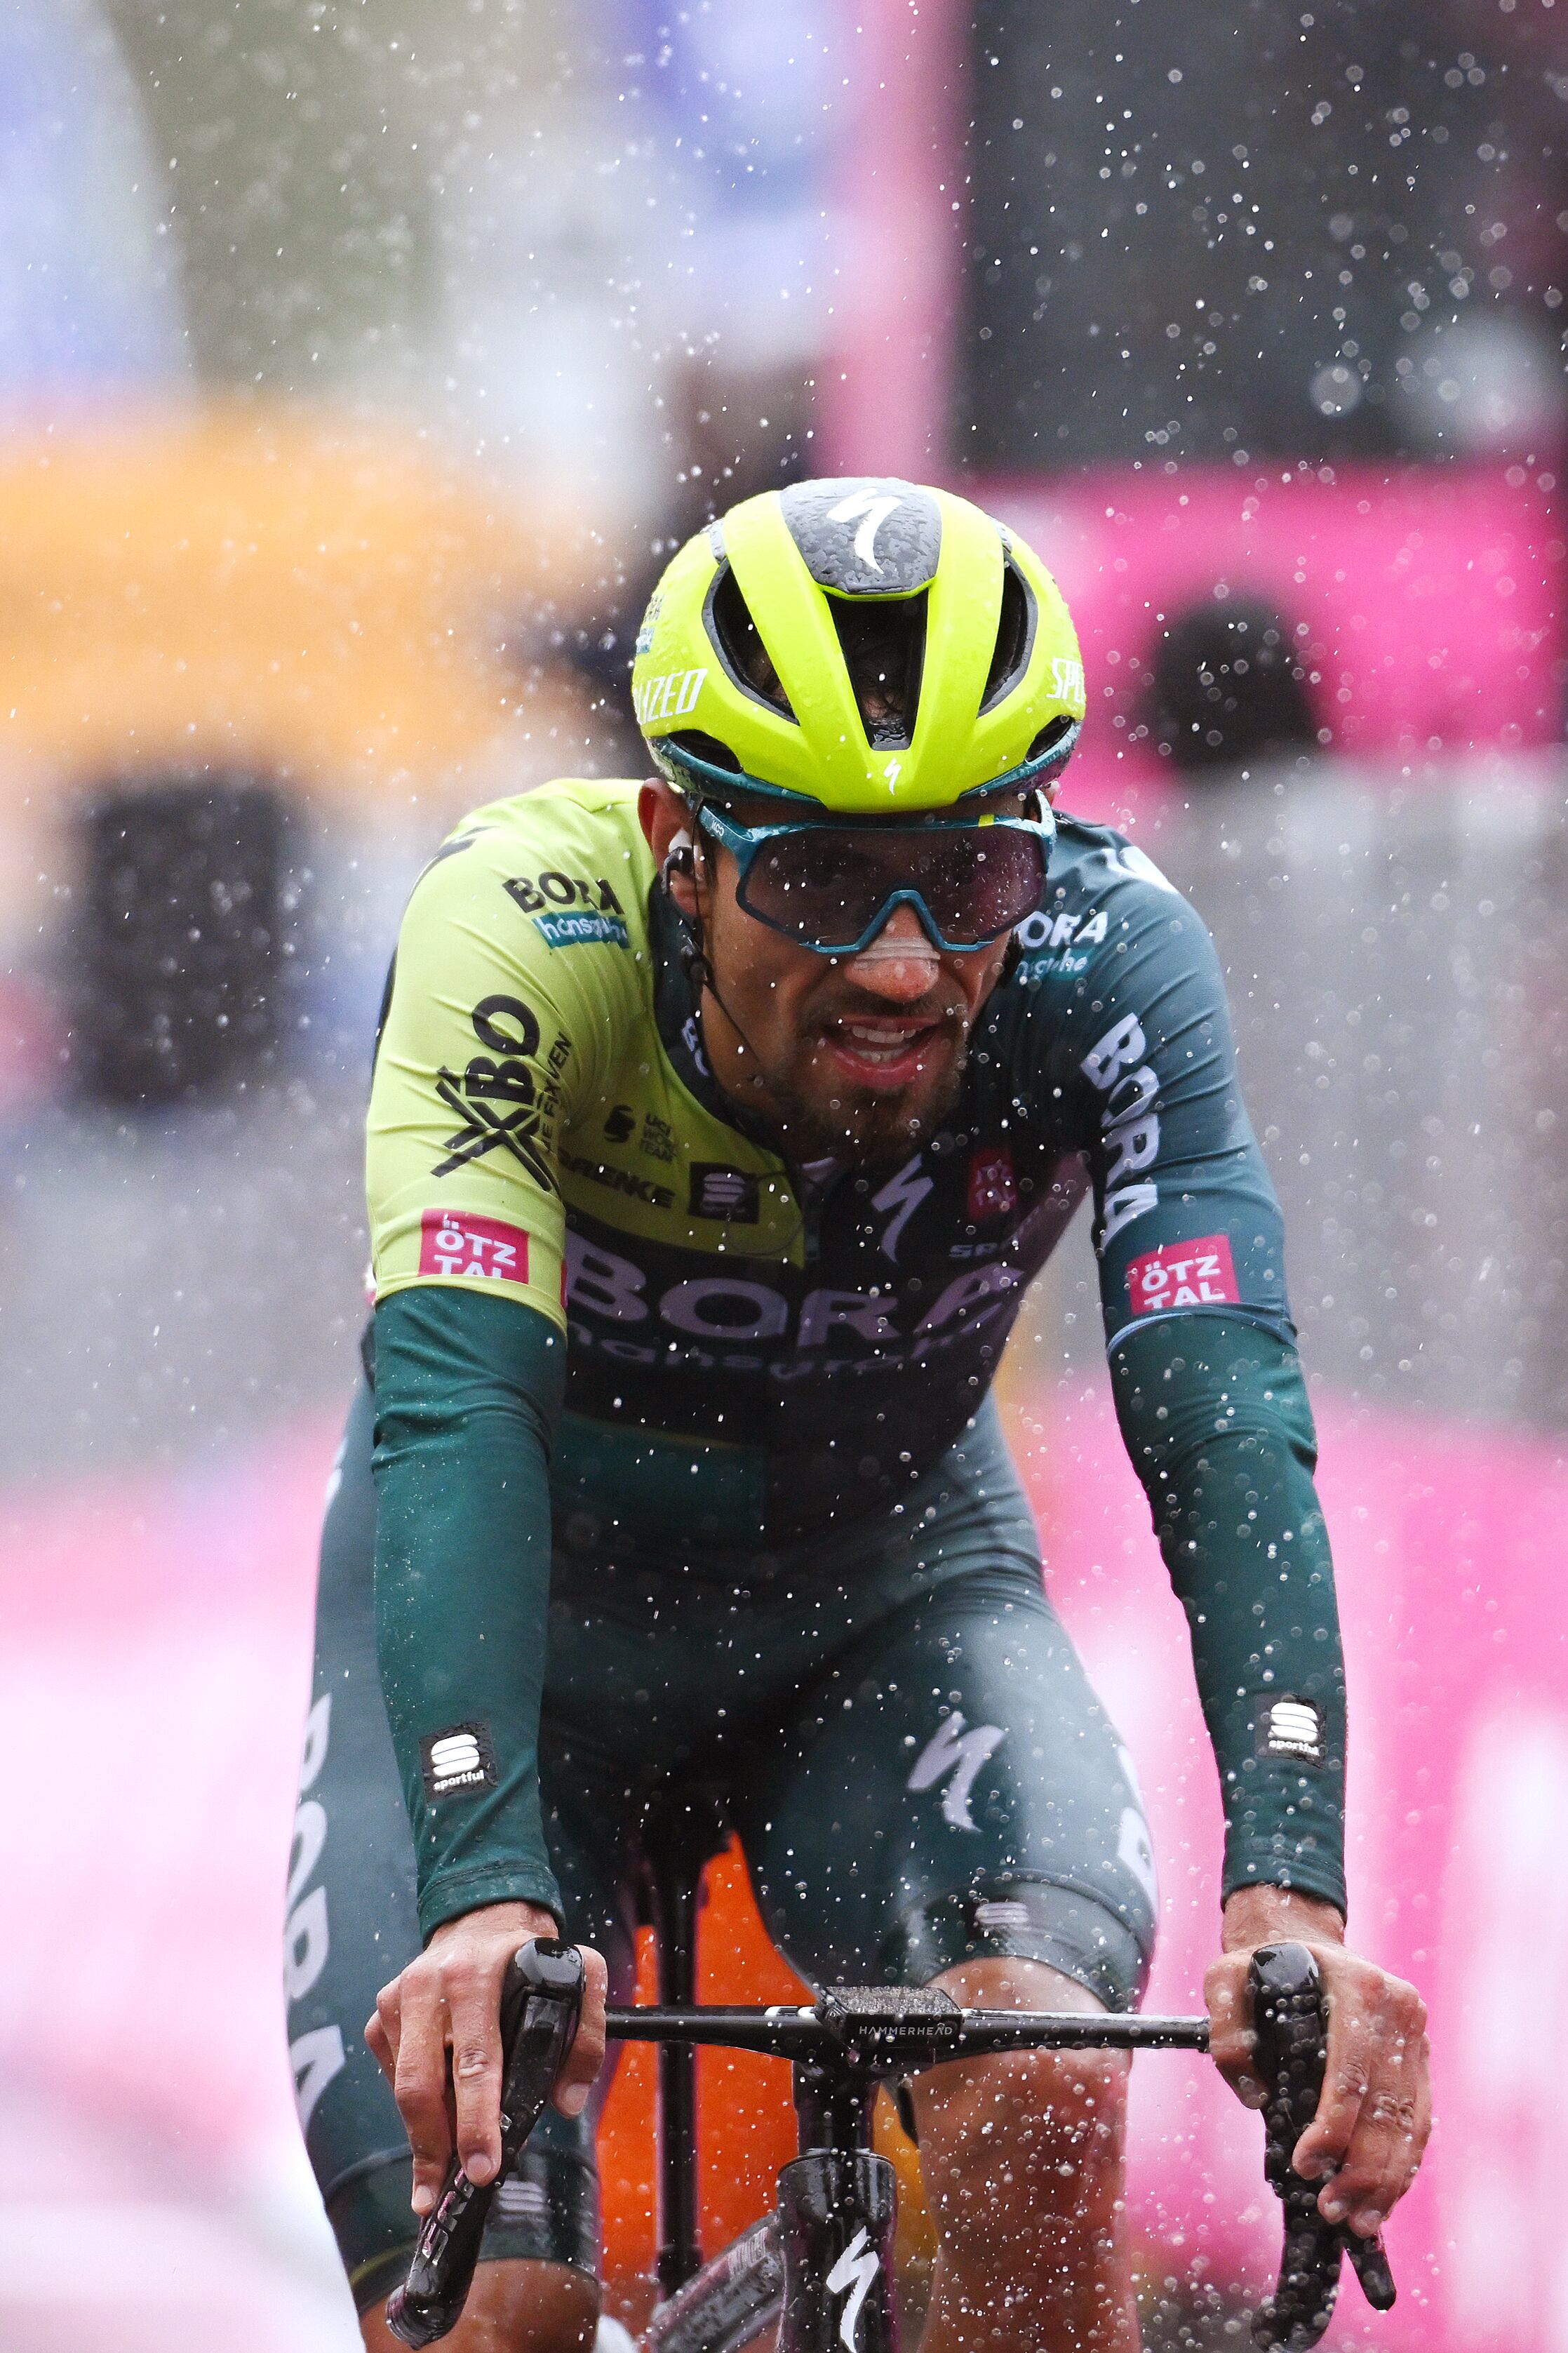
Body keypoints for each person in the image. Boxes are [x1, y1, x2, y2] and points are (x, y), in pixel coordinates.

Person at [286, 478, 1430, 2353]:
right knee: (498, 2308)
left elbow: (1221, 1407)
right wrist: (483, 1884)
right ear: (679, 845)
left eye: (967, 876)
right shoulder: (519, 936)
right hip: (538, 1626)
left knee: (1038, 2093)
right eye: (822, 879)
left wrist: (1290, 1882)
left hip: (879, 1605)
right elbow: (459, 1405)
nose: (904, 961)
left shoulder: (1112, 958)